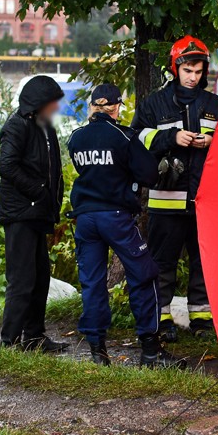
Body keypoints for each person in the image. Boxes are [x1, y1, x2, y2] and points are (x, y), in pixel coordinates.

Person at [68, 84, 186, 368]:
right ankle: (151, 351)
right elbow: (148, 174)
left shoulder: (76, 138)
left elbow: (86, 169)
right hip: (115, 217)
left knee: (92, 282)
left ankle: (97, 351)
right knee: (144, 275)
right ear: (116, 107)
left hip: (85, 218)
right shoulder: (123, 135)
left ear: (93, 106)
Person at [131, 36, 218, 342]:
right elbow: (136, 139)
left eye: (198, 71)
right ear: (175, 68)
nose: (193, 77)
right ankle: (161, 318)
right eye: (187, 71)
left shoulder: (215, 105)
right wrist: (171, 138)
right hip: (166, 201)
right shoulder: (154, 103)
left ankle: (202, 318)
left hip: (204, 201)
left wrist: (212, 141)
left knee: (203, 262)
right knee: (162, 263)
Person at [0, 75, 69, 353]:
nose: (57, 107)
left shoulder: (45, 127)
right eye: (53, 101)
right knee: (22, 280)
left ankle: (34, 337)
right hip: (20, 214)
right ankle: (10, 342)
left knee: (40, 278)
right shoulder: (17, 126)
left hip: (38, 213)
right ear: (39, 102)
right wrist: (38, 191)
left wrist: (51, 201)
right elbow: (7, 166)